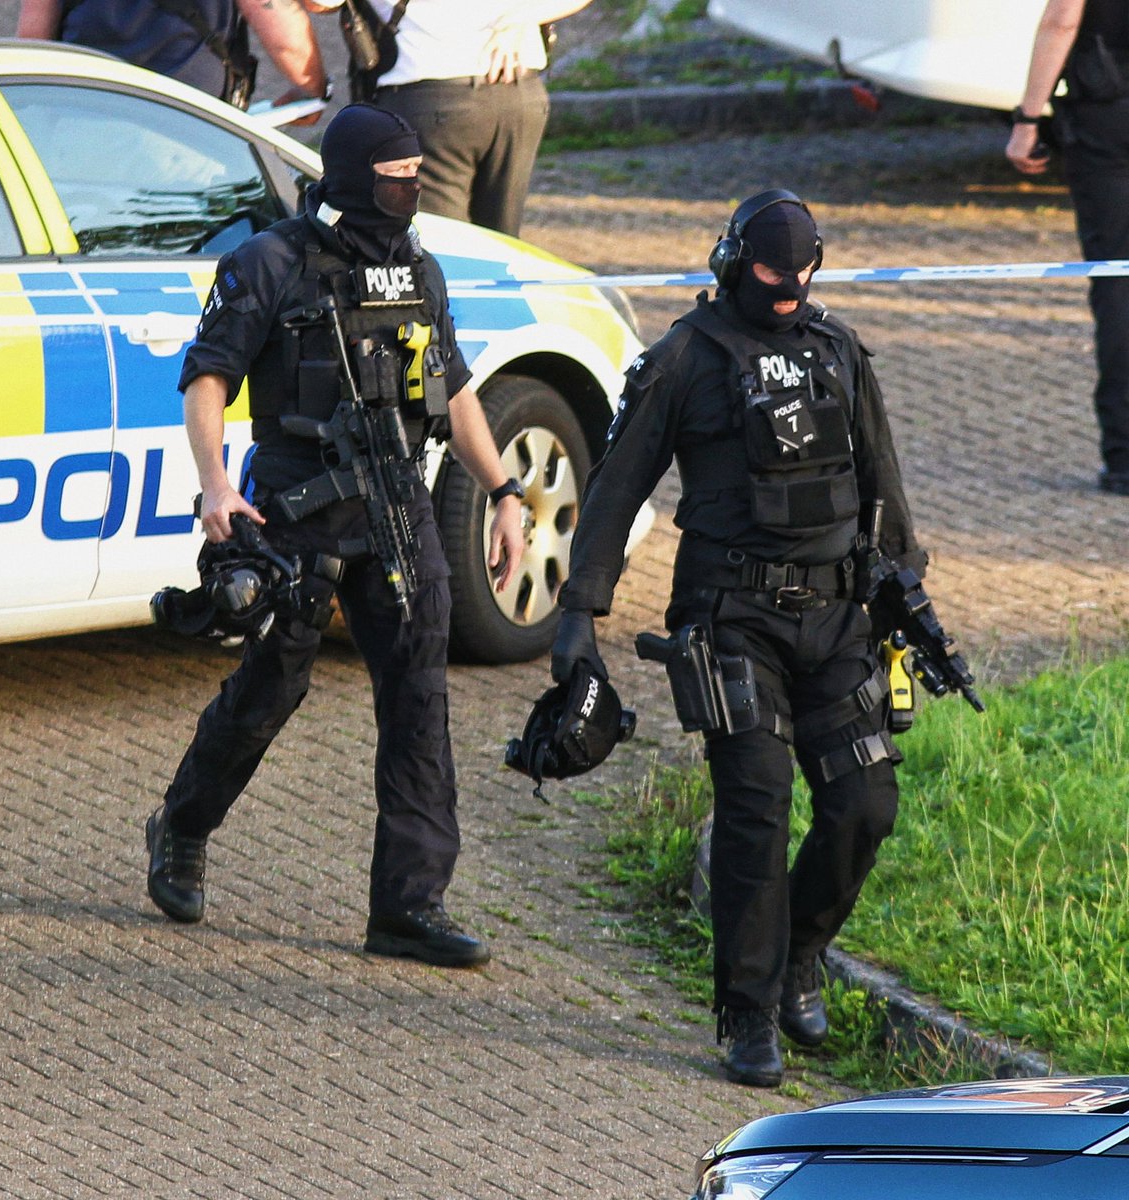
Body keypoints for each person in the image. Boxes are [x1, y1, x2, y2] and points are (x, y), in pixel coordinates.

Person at [550, 191, 928, 1087]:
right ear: (730, 262)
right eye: (770, 274)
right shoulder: (684, 358)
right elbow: (616, 488)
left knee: (865, 805)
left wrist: (906, 595)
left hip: (838, 620)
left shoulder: (836, 347)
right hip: (731, 619)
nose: (789, 290)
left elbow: (882, 474)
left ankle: (802, 954)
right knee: (757, 809)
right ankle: (749, 1012)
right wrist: (578, 612)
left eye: (803, 274)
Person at [145, 102, 525, 968]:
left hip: (400, 513)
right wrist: (214, 489)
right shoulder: (270, 263)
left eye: (418, 175)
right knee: (271, 688)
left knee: (418, 698)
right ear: (356, 178)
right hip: (300, 515)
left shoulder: (420, 269)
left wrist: (503, 489)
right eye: (397, 178)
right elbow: (207, 381)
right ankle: (182, 825)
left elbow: (455, 390)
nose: (413, 190)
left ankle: (408, 906)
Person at [1007, 0, 1129, 495]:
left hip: (1107, 116)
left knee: (1118, 284)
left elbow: (1062, 20)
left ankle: (1124, 458)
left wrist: (1026, 120)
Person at [337, 0, 592, 237]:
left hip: (428, 100)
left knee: (441, 245)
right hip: (518, 93)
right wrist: (520, 18)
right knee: (503, 244)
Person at [16, 0, 330, 112]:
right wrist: (313, 90)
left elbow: (33, 36)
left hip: (82, 106)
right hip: (185, 121)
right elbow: (281, 32)